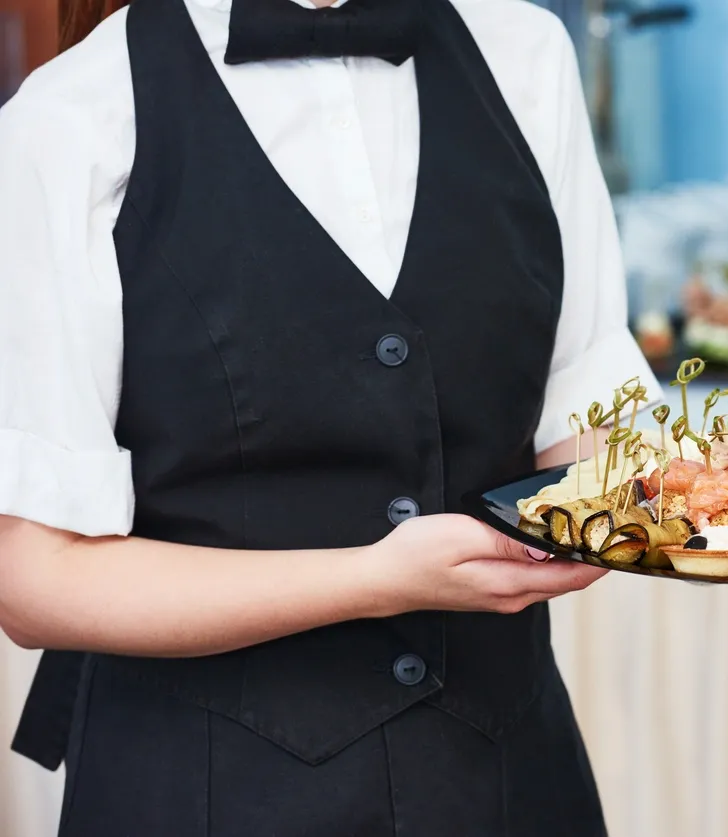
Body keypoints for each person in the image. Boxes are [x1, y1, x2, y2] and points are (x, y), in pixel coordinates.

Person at [0, 0, 655, 832]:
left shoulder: (525, 51)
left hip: (506, 781)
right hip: (206, 793)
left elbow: (589, 399)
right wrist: (376, 579)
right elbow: (32, 579)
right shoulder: (67, 120)